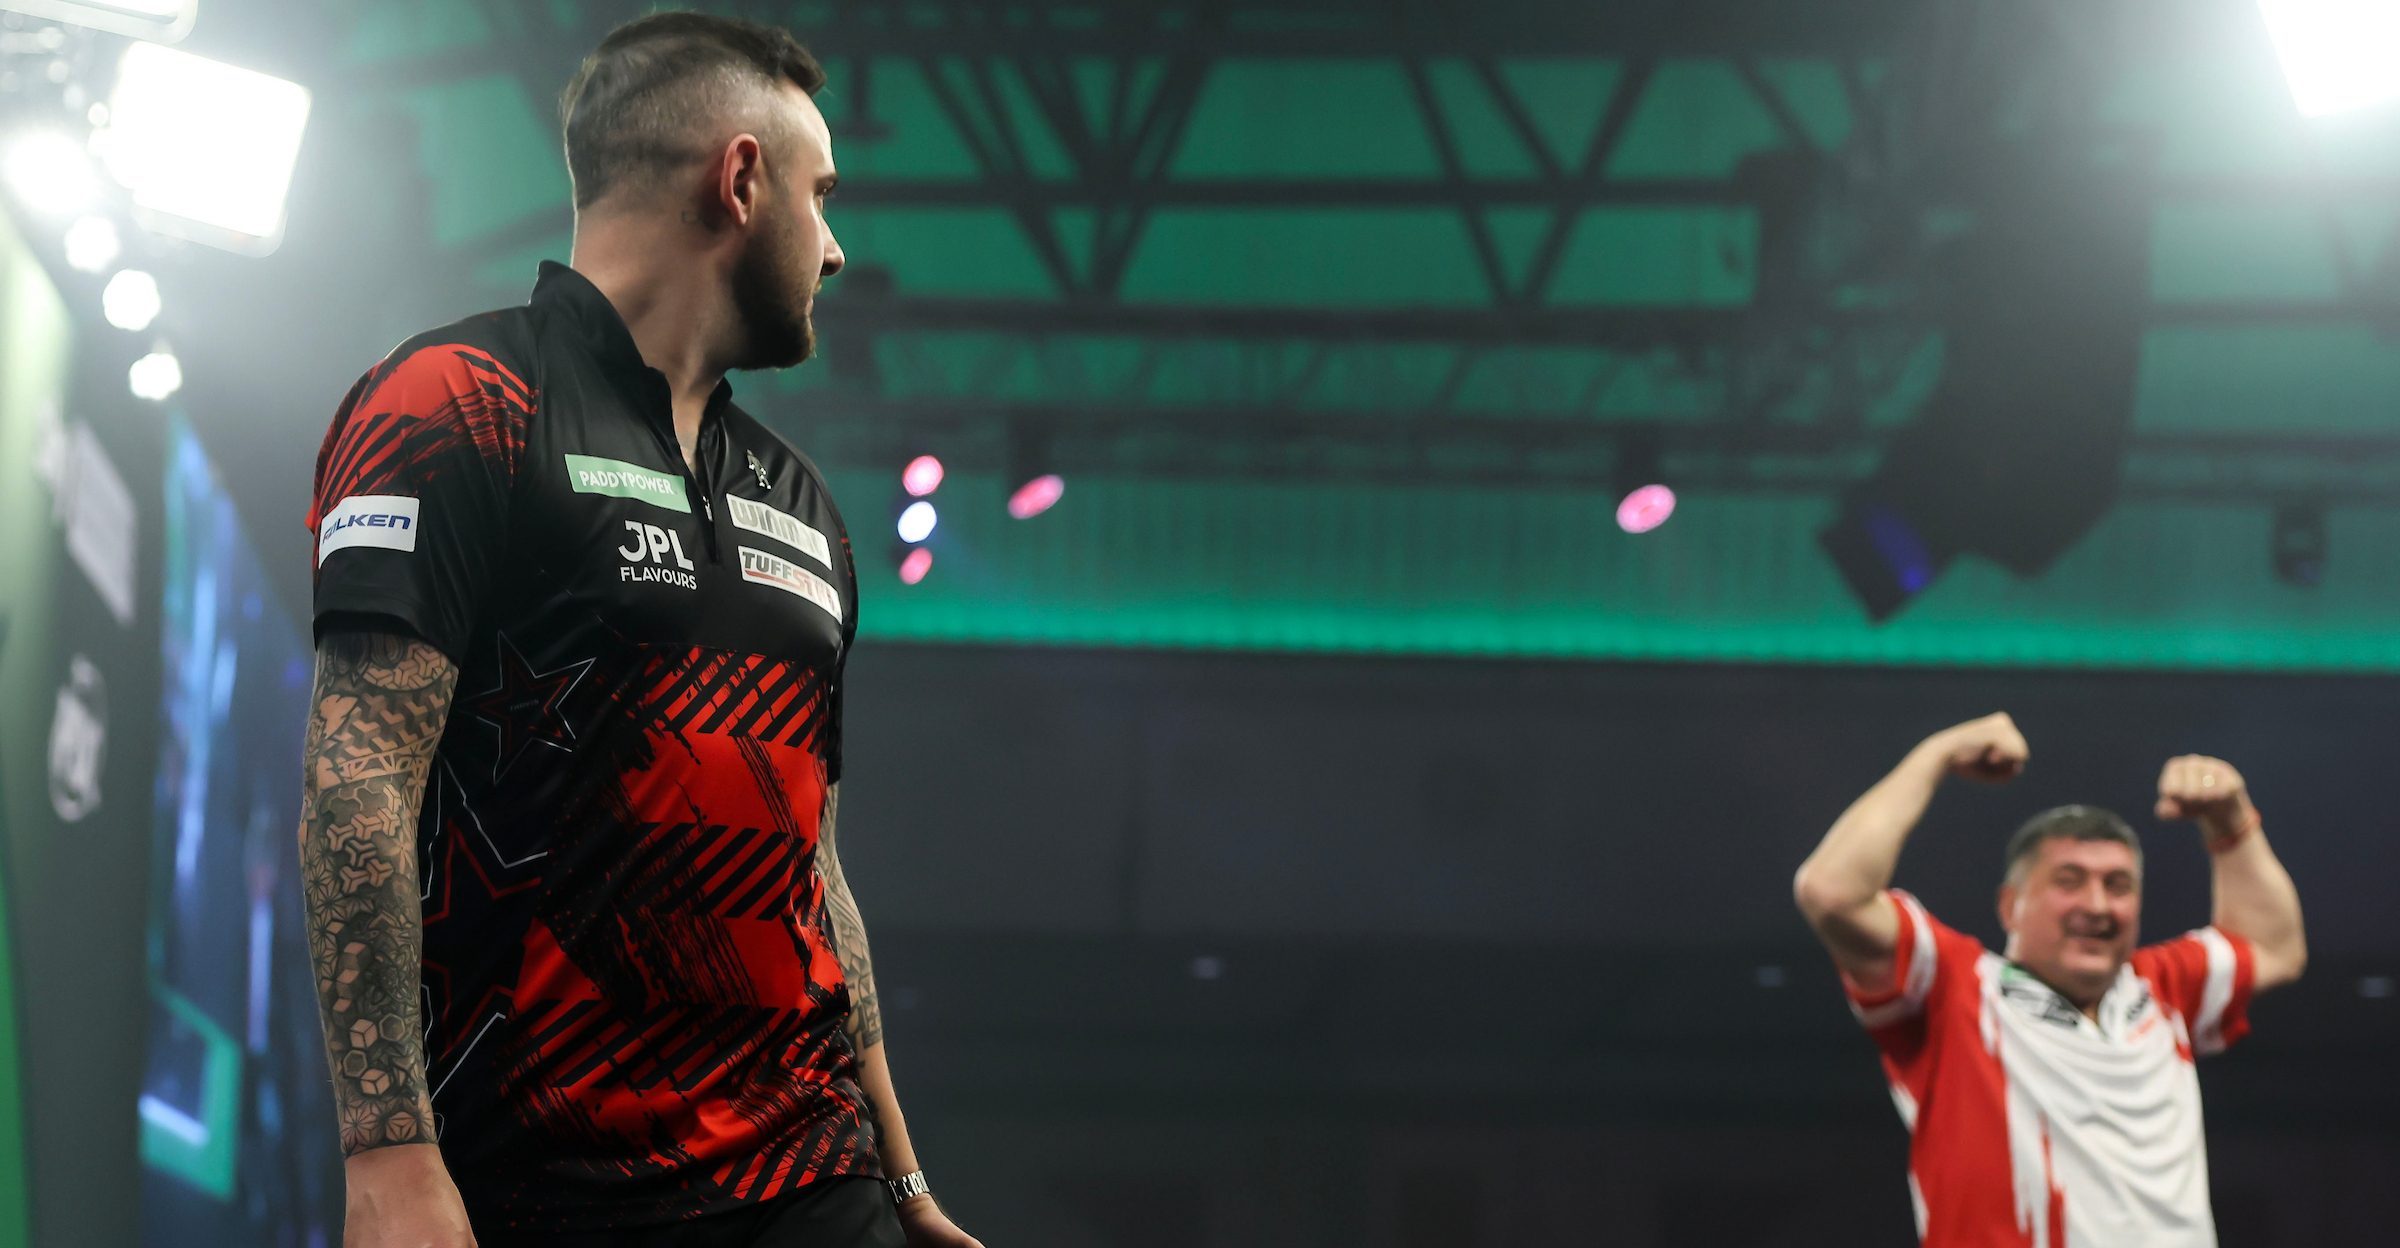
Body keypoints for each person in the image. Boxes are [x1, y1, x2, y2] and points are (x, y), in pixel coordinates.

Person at [297, 13, 981, 1247]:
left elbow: (816, 871)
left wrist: (904, 1180)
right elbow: (360, 785)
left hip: (810, 1182)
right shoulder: (458, 403)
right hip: (543, 1186)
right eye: (823, 195)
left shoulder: (807, 509)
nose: (836, 249)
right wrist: (388, 1151)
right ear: (740, 178)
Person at [1793, 712, 2306, 1248]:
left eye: (2118, 885)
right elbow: (1831, 892)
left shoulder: (2163, 989)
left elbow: (2275, 948)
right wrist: (1938, 753)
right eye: (2069, 881)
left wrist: (2231, 820)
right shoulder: (1956, 989)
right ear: (2011, 906)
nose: (2097, 905)